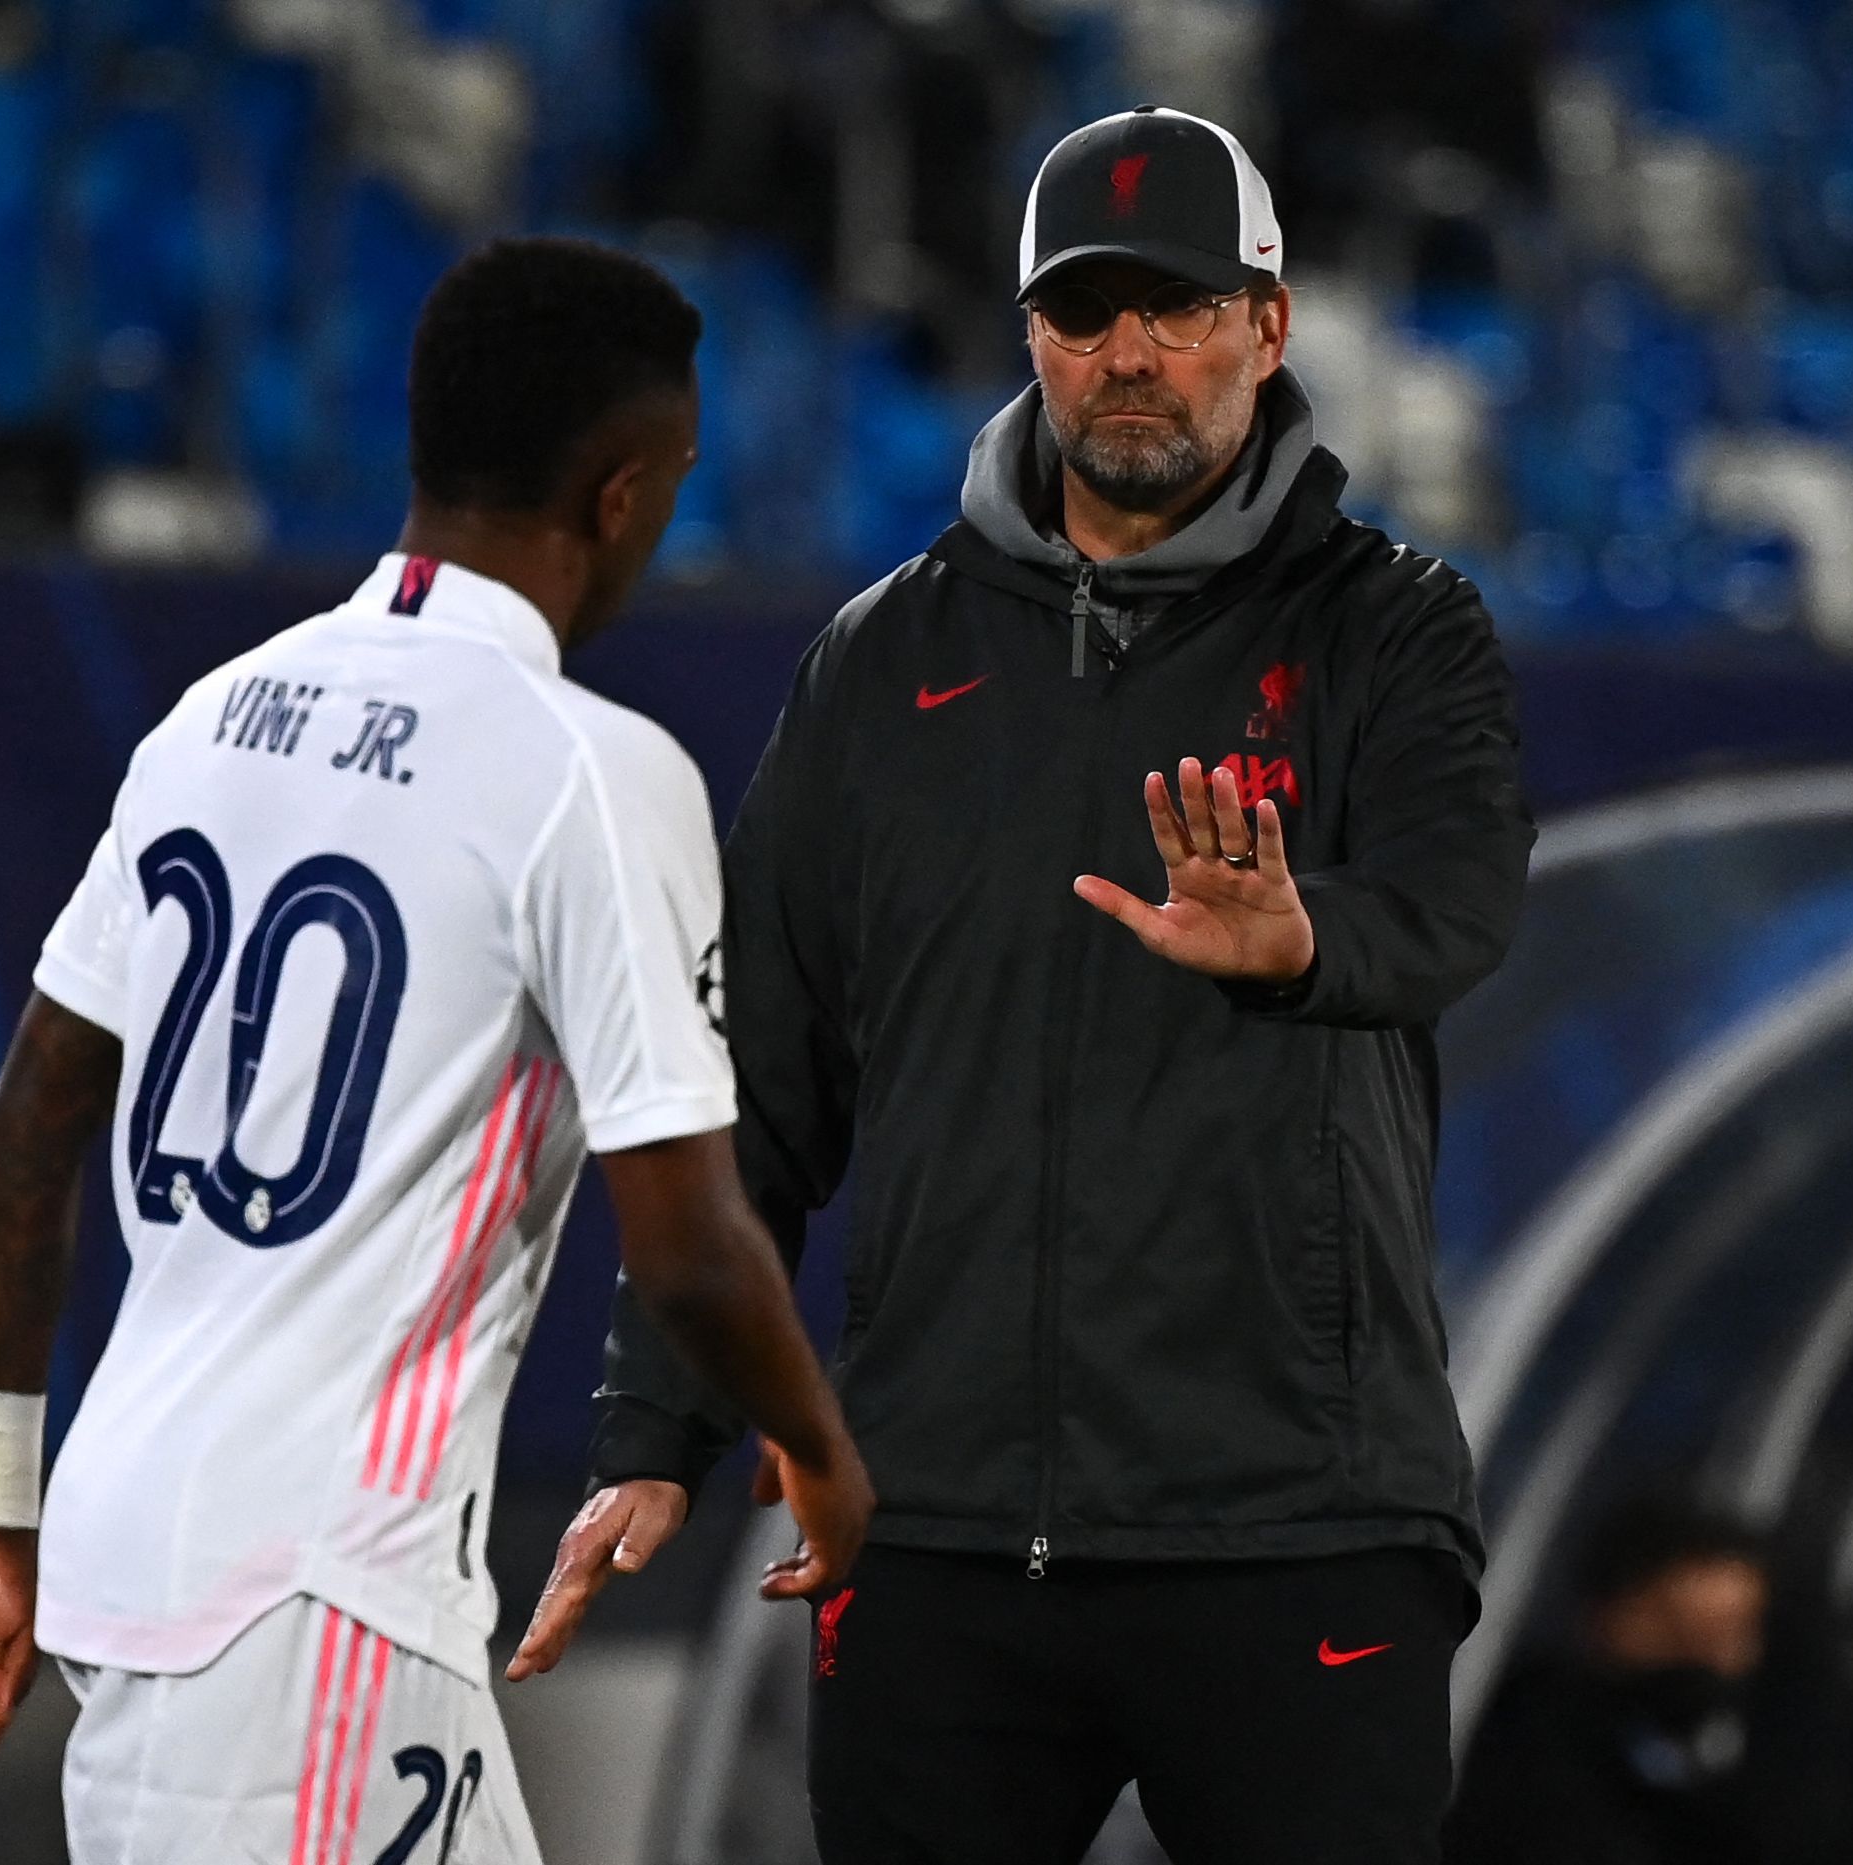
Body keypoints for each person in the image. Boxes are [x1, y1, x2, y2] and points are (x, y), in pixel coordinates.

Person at [514, 107, 1535, 1863]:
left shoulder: (1395, 629)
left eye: (1179, 307)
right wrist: (655, 1426)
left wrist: (1301, 944)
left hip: (1298, 1531)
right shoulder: (880, 661)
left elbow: (1454, 904)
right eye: (1085, 312)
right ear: (1031, 338)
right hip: (937, 1538)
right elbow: (757, 1084)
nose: (1129, 354)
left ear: (1268, 327)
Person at [0, 237, 872, 1865]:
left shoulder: (213, 716)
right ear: (620, 493)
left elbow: (25, 1134)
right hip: (315, 1590)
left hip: (153, 1551)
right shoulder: (587, 770)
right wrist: (821, 1452)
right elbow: (689, 1243)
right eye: (676, 482)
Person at [1445, 1494, 1772, 1865]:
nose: (1706, 1666)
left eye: (1728, 1638)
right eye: (1677, 1636)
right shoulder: (1521, 1744)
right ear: (1605, 1616)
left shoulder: (1761, 1765)